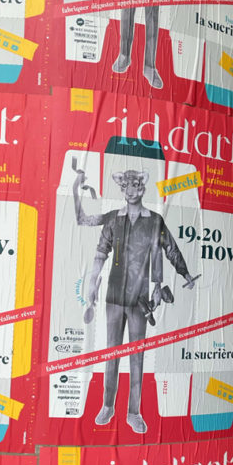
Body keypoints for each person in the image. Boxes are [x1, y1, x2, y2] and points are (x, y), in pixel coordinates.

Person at [73, 167, 197, 433]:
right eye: (126, 186)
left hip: (140, 299)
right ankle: (107, 406)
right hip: (114, 297)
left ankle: (133, 412)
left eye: (135, 185)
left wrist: (185, 273)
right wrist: (92, 284)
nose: (130, 190)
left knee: (137, 357)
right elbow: (99, 252)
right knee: (111, 353)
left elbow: (171, 249)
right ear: (122, 189)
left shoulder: (154, 221)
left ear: (142, 188)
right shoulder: (113, 219)